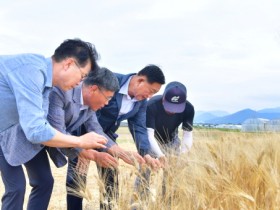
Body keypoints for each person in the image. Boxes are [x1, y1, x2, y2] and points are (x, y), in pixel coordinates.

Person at [0, 39, 108, 210]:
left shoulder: (46, 83)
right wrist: (80, 142)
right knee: (16, 187)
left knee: (44, 181)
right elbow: (36, 131)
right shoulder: (32, 71)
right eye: (83, 76)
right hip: (5, 131)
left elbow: (40, 126)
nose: (80, 83)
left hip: (12, 130)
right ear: (69, 64)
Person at [47, 67, 145, 210]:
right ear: (93, 89)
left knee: (110, 178)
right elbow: (58, 131)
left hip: (87, 139)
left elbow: (96, 129)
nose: (106, 103)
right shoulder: (62, 92)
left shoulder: (91, 106)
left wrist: (121, 152)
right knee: (73, 180)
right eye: (107, 98)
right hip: (59, 138)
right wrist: (84, 151)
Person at [95, 64, 166, 209]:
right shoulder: (110, 81)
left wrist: (146, 154)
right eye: (151, 91)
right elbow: (90, 118)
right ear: (140, 80)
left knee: (110, 176)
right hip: (84, 130)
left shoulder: (141, 102)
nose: (150, 96)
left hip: (107, 136)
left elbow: (139, 128)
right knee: (76, 176)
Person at [141, 81, 195, 198]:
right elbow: (149, 135)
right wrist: (160, 155)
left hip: (171, 140)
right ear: (163, 98)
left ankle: (168, 204)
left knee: (172, 178)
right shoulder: (152, 105)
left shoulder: (189, 109)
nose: (172, 111)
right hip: (152, 140)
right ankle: (137, 205)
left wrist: (180, 156)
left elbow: (187, 135)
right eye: (169, 106)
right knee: (144, 174)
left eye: (176, 108)